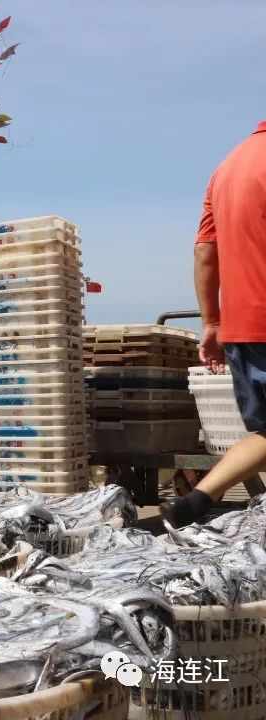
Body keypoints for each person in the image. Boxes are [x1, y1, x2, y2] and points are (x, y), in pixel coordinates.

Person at [161, 120, 266, 528]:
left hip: (242, 328)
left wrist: (212, 322)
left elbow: (205, 249)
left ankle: (198, 498)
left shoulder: (227, 168)